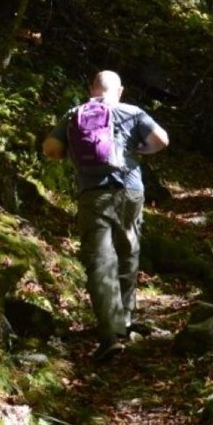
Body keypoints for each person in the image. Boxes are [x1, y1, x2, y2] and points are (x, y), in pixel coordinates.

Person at [43, 71, 170, 361]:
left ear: (92, 89)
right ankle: (124, 319)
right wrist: (140, 149)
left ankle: (110, 335)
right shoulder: (132, 112)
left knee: (100, 261)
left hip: (94, 194)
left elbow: (51, 148)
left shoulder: (75, 112)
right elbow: (162, 139)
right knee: (128, 250)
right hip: (130, 192)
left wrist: (72, 155)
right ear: (119, 91)